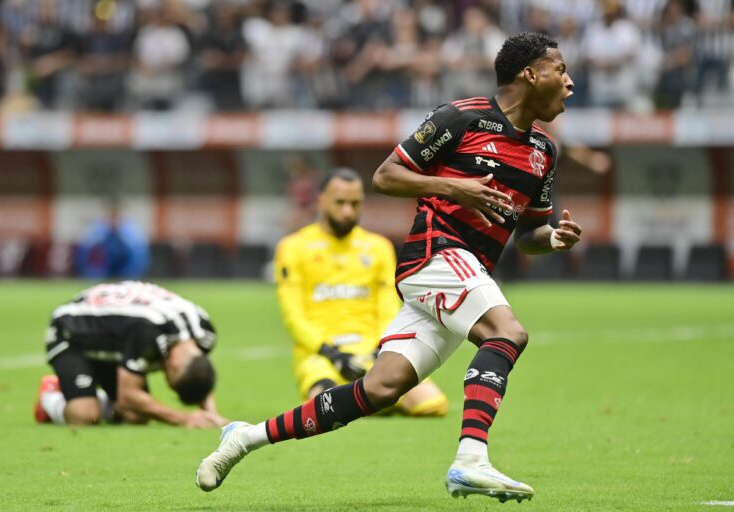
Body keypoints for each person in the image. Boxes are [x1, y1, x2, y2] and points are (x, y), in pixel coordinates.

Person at [196, 32, 582, 503]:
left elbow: (529, 235)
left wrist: (553, 239)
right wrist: (457, 189)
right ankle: (470, 460)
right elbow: (385, 176)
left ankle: (244, 437)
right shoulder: (459, 118)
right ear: (530, 73)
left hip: (468, 271)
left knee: (381, 388)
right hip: (433, 255)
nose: (569, 83)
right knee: (508, 333)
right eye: (560, 71)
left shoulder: (545, 151)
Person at [274, 167, 448, 415]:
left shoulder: (378, 247)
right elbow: (293, 316)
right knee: (324, 409)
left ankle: (368, 398)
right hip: (321, 357)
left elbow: (388, 307)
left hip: (372, 353)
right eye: (340, 203)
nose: (347, 211)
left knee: (432, 405)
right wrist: (330, 352)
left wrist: (381, 349)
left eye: (354, 203)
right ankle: (371, 400)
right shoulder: (293, 247)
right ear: (322, 201)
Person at [34, 281, 227, 428]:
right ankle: (50, 395)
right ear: (173, 364)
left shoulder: (205, 333)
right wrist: (184, 419)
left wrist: (211, 414)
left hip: (112, 342)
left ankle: (95, 397)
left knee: (137, 416)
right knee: (84, 415)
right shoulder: (147, 331)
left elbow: (201, 371)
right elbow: (128, 395)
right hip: (71, 334)